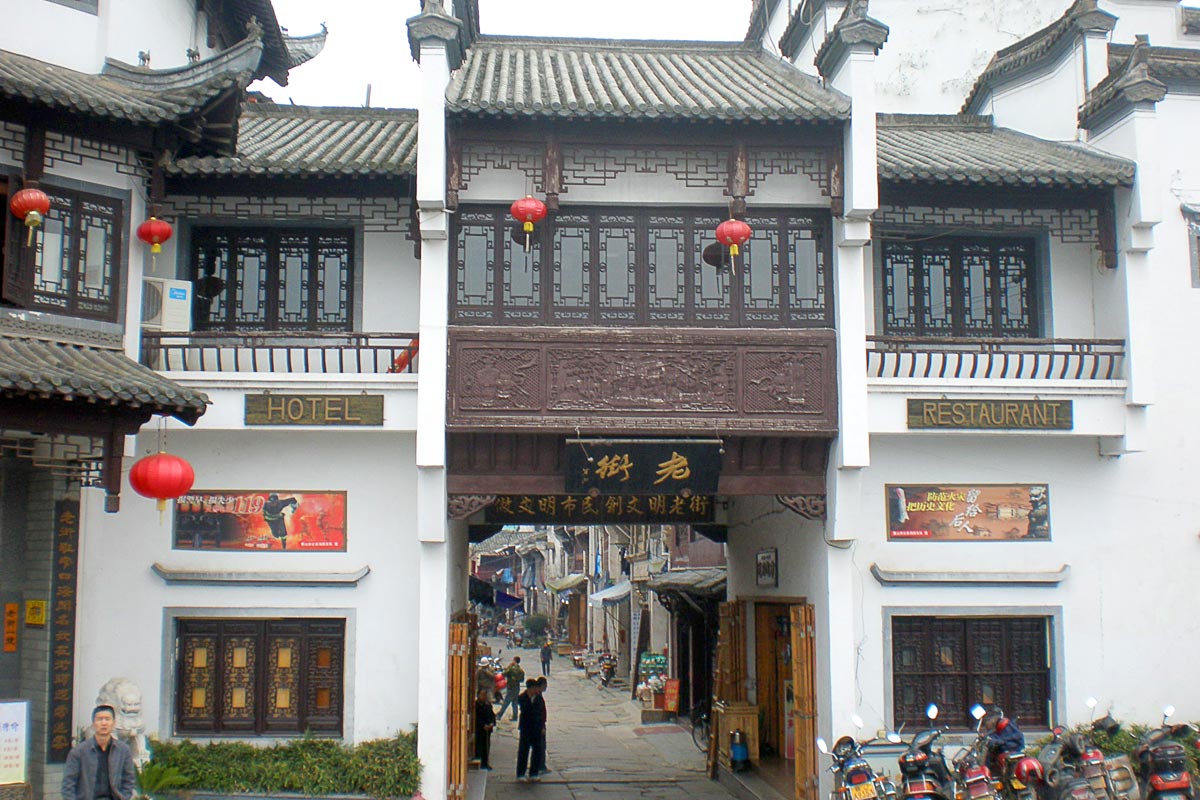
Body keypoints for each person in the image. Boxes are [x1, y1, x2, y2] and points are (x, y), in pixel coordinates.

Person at [62, 705, 137, 800]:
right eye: (100, 719)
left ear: (113, 723)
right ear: (93, 723)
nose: (104, 723)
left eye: (107, 719)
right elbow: (68, 784)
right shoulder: (79, 751)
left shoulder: (123, 750)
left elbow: (129, 780)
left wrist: (124, 797)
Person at [516, 679, 546, 782]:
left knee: (537, 750)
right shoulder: (522, 697)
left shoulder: (538, 698)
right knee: (523, 751)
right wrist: (531, 701)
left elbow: (541, 713)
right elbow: (526, 710)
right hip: (526, 728)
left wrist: (542, 726)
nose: (536, 690)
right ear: (530, 688)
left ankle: (534, 773)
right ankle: (520, 773)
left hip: (536, 728)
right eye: (534, 688)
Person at [474, 687, 496, 771]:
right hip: (480, 729)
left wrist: (491, 723)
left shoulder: (488, 705)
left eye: (485, 695)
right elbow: (476, 717)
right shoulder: (476, 705)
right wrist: (482, 725)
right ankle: (479, 761)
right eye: (482, 695)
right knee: (479, 745)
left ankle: (485, 762)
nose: (483, 697)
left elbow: (492, 715)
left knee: (486, 746)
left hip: (487, 729)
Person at [497, 656, 524, 722]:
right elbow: (522, 680)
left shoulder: (511, 668)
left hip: (511, 687)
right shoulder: (520, 670)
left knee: (506, 702)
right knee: (514, 702)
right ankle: (515, 717)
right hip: (517, 687)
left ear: (514, 661)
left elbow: (504, 674)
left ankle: (499, 715)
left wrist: (509, 666)